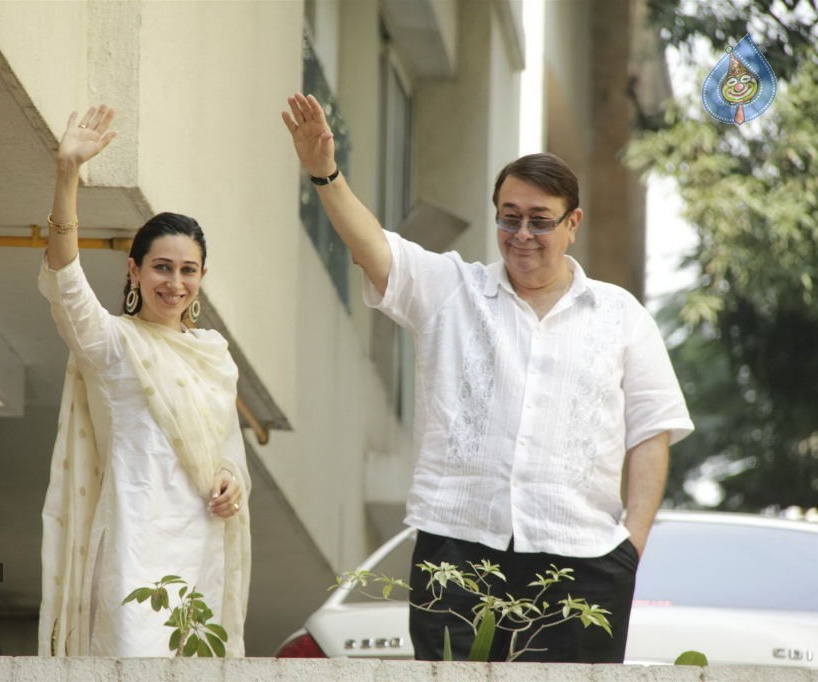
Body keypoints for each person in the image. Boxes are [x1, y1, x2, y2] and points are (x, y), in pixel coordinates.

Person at [281, 93, 694, 662]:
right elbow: (373, 247)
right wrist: (324, 173)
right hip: (458, 545)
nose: (522, 233)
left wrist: (632, 543)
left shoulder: (621, 314)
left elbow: (653, 429)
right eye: (509, 217)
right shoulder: (453, 290)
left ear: (573, 223)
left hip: (585, 559)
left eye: (539, 221)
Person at [37, 105, 251, 657]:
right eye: (161, 267)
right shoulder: (111, 344)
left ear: (202, 278)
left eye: (187, 270)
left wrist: (231, 481)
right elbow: (64, 280)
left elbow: (225, 449)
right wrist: (67, 175)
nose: (174, 282)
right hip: (133, 548)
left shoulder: (214, 355)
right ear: (134, 271)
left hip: (201, 545)